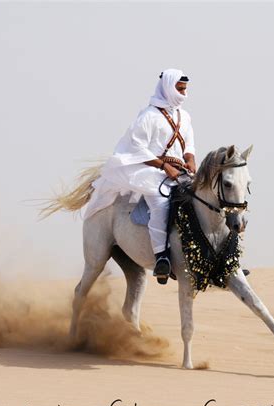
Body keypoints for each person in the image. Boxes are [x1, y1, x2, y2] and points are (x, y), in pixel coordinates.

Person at [83, 68, 196, 283]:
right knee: (161, 203)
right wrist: (164, 166)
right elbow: (137, 148)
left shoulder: (185, 116)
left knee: (207, 199)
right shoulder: (149, 116)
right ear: (169, 88)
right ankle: (162, 257)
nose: (183, 94)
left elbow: (188, 144)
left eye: (185, 90)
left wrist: (190, 160)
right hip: (150, 171)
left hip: (179, 172)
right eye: (180, 89)